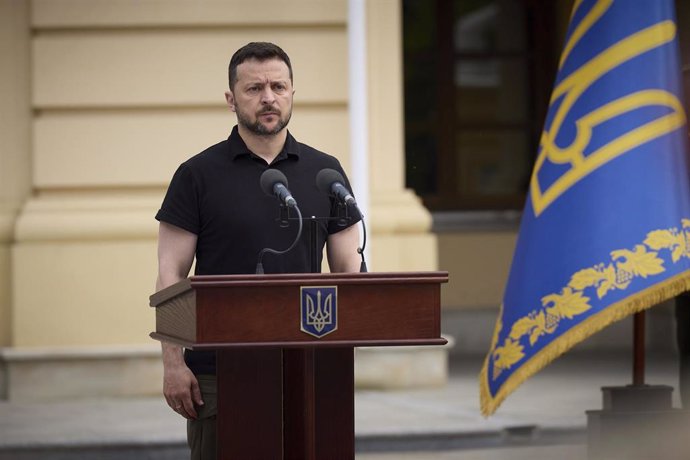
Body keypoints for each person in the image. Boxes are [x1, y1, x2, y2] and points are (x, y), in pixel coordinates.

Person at [154, 42, 361, 459]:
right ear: (231, 100)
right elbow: (170, 275)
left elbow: (348, 272)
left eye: (278, 87)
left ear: (291, 94)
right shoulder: (197, 175)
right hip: (220, 369)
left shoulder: (326, 173)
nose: (268, 98)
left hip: (309, 366)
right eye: (254, 89)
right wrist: (174, 364)